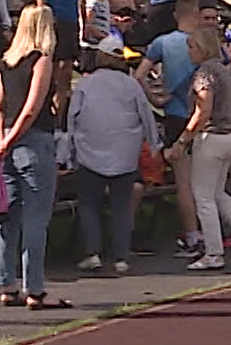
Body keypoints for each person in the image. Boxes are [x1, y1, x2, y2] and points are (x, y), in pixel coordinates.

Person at [0, 4, 65, 310]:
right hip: (33, 142)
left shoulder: (8, 62)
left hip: (5, 141)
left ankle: (7, 284)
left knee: (7, 215)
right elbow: (32, 107)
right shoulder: (41, 60)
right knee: (36, 218)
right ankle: (35, 288)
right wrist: (13, 138)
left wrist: (0, 141)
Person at [170, 27, 231, 270]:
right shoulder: (225, 72)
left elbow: (203, 110)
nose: (189, 51)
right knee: (218, 193)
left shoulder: (204, 74)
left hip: (212, 138)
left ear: (202, 48)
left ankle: (214, 252)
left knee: (203, 196)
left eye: (192, 46)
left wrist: (182, 141)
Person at [66, 34, 162, 273]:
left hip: (90, 151)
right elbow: (147, 116)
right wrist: (155, 145)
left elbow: (71, 119)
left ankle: (93, 253)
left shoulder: (86, 84)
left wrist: (69, 152)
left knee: (89, 204)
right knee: (121, 205)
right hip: (125, 153)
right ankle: (121, 256)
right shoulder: (131, 85)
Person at [135, 0, 210, 259]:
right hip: (203, 114)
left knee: (185, 181)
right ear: (196, 13)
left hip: (176, 115)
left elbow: (139, 75)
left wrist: (154, 97)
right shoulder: (206, 43)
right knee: (207, 180)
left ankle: (192, 236)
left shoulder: (163, 43)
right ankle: (208, 232)